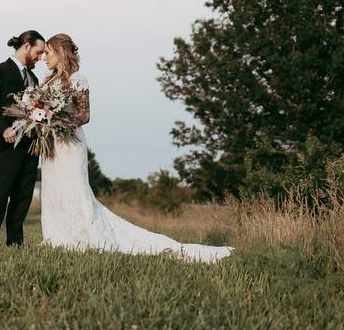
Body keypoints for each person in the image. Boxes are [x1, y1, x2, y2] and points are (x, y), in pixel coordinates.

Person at [39, 33, 233, 263]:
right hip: (51, 146)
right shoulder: (45, 81)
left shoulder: (79, 79)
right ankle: (56, 237)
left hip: (70, 144)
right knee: (53, 189)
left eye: (48, 52)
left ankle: (85, 237)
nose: (44, 57)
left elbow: (85, 115)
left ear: (60, 53)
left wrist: (58, 119)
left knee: (74, 188)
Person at [0, 30, 45, 247]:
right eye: (38, 52)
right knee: (0, 195)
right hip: (7, 147)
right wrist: (3, 129)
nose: (40, 57)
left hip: (31, 147)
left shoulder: (34, 79)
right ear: (26, 46)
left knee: (23, 197)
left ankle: (15, 243)